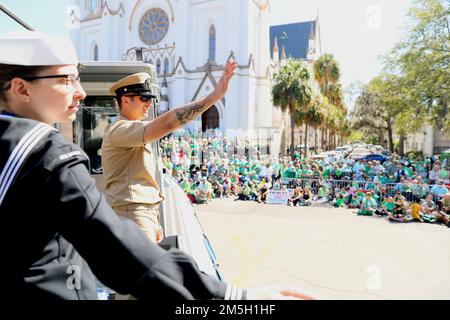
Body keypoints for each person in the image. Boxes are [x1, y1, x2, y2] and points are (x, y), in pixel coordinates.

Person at [0, 30, 315, 300]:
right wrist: (232, 296)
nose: (80, 91)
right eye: (67, 79)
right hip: (122, 224)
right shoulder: (50, 150)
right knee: (140, 285)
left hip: (140, 215)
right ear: (21, 89)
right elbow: (122, 254)